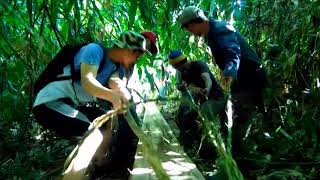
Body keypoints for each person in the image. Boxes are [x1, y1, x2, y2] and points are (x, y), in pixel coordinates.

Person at [177, 6, 268, 173]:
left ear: (195, 22)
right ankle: (238, 162)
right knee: (231, 122)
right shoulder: (210, 34)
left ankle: (249, 165)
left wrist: (229, 73)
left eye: (188, 27)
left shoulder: (220, 29)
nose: (189, 31)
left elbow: (233, 51)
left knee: (237, 123)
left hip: (249, 78)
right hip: (241, 81)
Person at [168, 50, 225, 160]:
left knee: (205, 112)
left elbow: (206, 78)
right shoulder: (182, 73)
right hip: (202, 101)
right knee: (183, 116)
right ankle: (188, 145)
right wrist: (195, 89)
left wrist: (207, 89)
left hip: (216, 98)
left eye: (178, 67)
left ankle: (209, 150)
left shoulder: (199, 64)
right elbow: (188, 86)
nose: (179, 70)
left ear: (183, 62)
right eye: (176, 68)